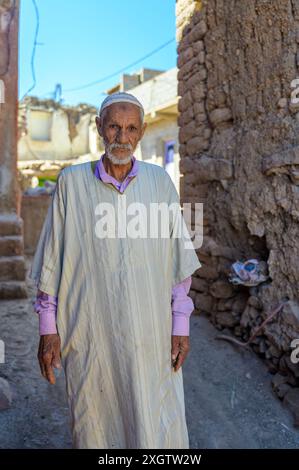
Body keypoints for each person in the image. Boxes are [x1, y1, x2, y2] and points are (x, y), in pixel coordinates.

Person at [29, 91, 201, 449]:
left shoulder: (160, 184)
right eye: (114, 127)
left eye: (131, 129)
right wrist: (48, 328)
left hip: (151, 333)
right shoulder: (71, 183)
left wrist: (180, 325)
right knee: (96, 422)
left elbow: (178, 266)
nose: (122, 138)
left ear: (141, 132)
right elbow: (52, 262)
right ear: (99, 129)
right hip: (91, 332)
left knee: (154, 422)